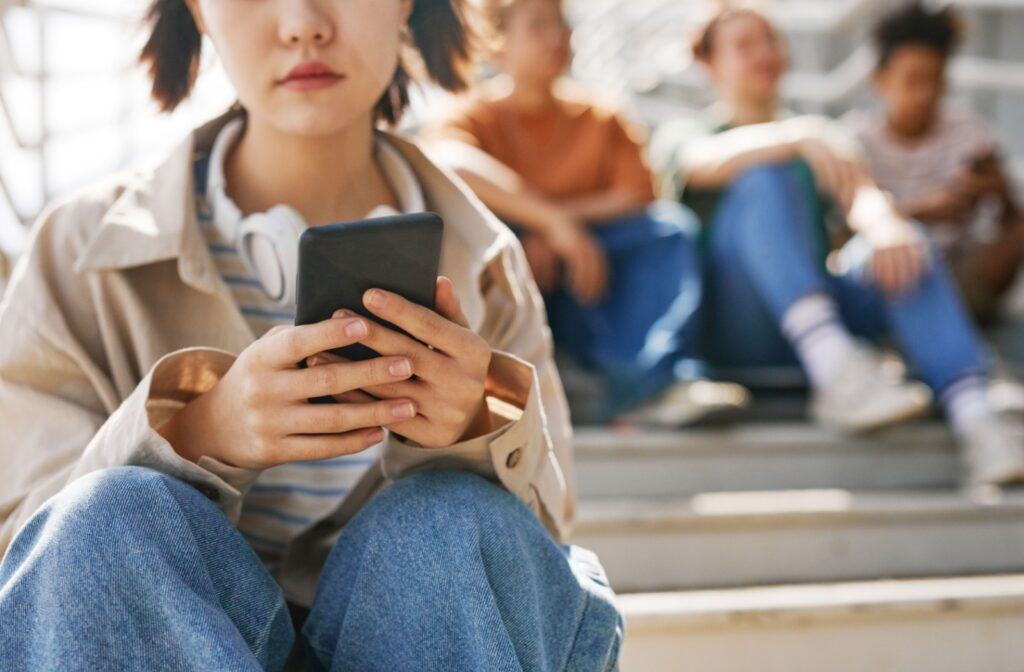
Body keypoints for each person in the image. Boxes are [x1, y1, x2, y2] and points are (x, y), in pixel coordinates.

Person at [0, 0, 623, 669]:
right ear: (197, 12)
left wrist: (475, 429)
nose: (302, 22)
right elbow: (32, 559)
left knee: (454, 523)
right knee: (107, 518)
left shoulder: (487, 263)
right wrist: (196, 435)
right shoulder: (76, 253)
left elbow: (537, 558)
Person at [650, 5, 1024, 486]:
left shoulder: (820, 137)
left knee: (904, 243)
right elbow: (699, 162)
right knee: (764, 178)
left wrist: (887, 224)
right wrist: (796, 137)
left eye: (771, 40)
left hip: (821, 318)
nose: (765, 53)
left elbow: (862, 196)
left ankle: (977, 422)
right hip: (738, 325)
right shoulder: (691, 132)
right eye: (745, 44)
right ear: (708, 63)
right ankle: (836, 366)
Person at [424, 0, 749, 426]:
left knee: (667, 231)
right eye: (538, 27)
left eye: (562, 25)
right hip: (514, 284)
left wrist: (564, 229)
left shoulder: (602, 115)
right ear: (497, 45)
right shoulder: (471, 114)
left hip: (595, 287)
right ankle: (495, 395)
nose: (557, 38)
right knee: (467, 238)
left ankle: (658, 383)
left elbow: (638, 194)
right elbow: (446, 161)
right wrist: (550, 223)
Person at [844, 1, 1024, 325]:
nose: (925, 94)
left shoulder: (971, 134)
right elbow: (842, 237)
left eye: (936, 80)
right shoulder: (853, 140)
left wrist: (1000, 193)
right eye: (913, 80)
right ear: (880, 79)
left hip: (962, 274)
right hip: (889, 275)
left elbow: (1009, 225)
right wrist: (924, 210)